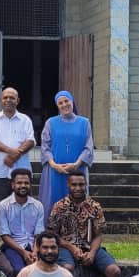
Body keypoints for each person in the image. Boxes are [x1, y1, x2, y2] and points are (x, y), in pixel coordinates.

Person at [49, 170, 124, 277]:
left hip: (90, 247)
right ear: (68, 185)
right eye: (74, 184)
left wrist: (92, 252)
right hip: (66, 248)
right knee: (66, 269)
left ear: (86, 185)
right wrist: (71, 247)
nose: (78, 188)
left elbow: (98, 235)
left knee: (114, 271)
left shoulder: (94, 206)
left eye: (81, 184)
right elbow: (53, 235)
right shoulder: (59, 206)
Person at [38, 90, 94, 223]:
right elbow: (45, 146)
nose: (64, 105)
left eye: (66, 101)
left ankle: (77, 233)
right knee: (53, 202)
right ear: (57, 105)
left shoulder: (84, 123)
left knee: (77, 200)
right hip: (54, 171)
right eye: (60, 103)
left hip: (77, 170)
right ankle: (51, 235)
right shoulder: (50, 123)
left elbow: (88, 147)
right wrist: (53, 165)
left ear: (72, 102)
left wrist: (76, 165)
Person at [0, 87, 36, 206]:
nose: (8, 100)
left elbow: (31, 141)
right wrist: (10, 151)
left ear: (17, 101)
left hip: (21, 171)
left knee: (24, 206)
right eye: (5, 97)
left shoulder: (25, 119)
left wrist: (14, 156)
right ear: (1, 100)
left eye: (12, 98)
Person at [0, 168, 46, 274]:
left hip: (35, 245)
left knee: (42, 268)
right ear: (13, 185)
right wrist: (23, 252)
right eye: (19, 183)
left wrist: (35, 252)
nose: (23, 186)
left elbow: (39, 233)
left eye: (26, 183)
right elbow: (5, 236)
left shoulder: (38, 206)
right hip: (13, 247)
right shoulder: (3, 206)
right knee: (19, 270)